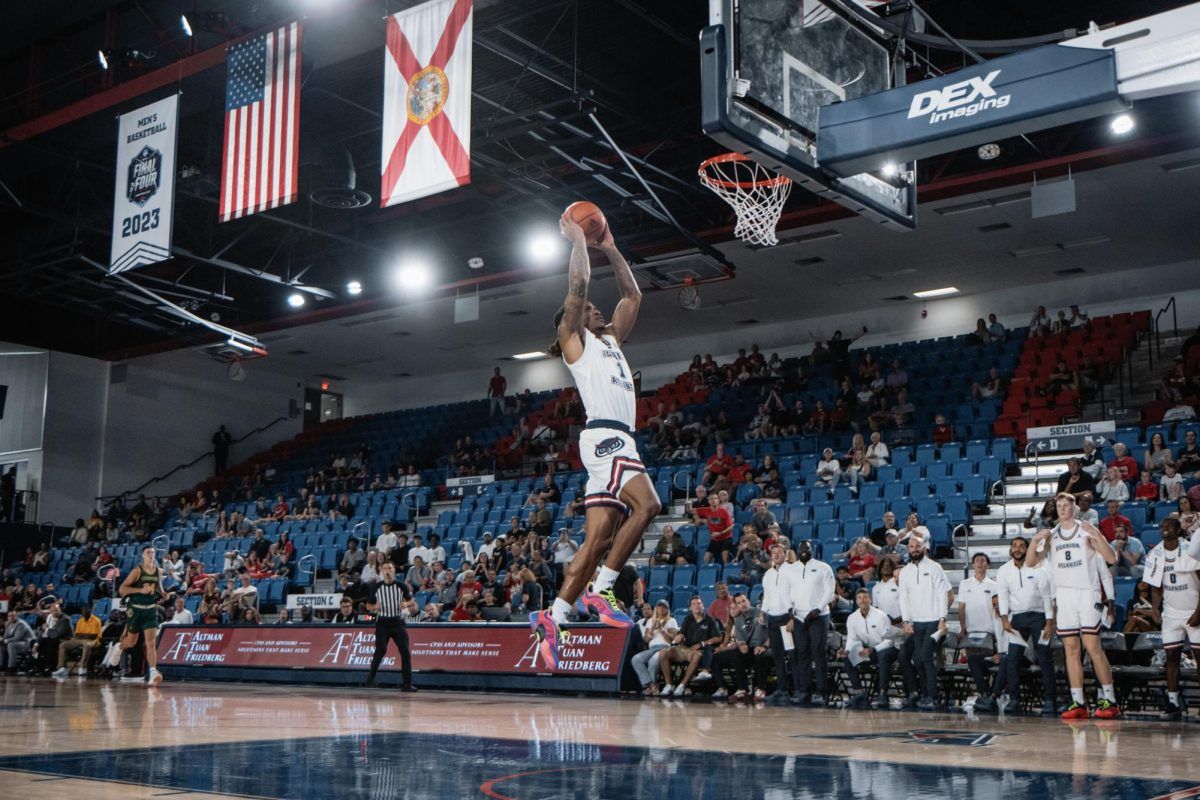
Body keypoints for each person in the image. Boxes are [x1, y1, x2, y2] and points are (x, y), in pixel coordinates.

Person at [531, 211, 660, 668]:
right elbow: (577, 289)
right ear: (572, 320)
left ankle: (555, 615)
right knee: (649, 507)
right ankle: (602, 590)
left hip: (617, 440)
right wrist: (578, 242)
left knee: (598, 538)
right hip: (607, 436)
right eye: (589, 310)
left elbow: (633, 294)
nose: (596, 309)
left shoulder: (611, 343)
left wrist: (608, 244)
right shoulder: (576, 342)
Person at [1027, 492, 1120, 719]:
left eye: (1065, 504)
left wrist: (1097, 535)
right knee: (1070, 649)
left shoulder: (1086, 529)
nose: (1061, 508)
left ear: (1074, 507)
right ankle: (1078, 702)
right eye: (1058, 505)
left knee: (1092, 646)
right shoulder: (1052, 534)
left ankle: (1110, 700)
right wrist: (1033, 541)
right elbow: (1030, 562)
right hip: (1064, 596)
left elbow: (1112, 558)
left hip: (1087, 594)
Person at [1141, 518, 1200, 720]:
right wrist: (1156, 607)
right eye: (1162, 526)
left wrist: (1198, 612)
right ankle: (1173, 703)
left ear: (1178, 529)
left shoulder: (1190, 549)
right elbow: (1156, 585)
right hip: (1171, 614)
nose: (1164, 528)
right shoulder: (1155, 553)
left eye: (1169, 525)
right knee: (1171, 658)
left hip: (1194, 611)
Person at [994, 536, 1057, 716]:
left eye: (1022, 546)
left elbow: (1047, 597)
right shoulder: (1003, 571)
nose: (1018, 549)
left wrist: (1049, 623)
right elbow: (1003, 596)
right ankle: (1014, 700)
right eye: (1014, 545)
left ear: (1028, 549)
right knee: (1012, 659)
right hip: (1017, 619)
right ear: (1010, 550)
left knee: (1045, 659)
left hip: (1039, 617)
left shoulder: (1039, 569)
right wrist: (1005, 619)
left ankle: (1050, 700)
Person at [897, 536, 952, 710]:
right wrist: (906, 621)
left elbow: (943, 594)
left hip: (934, 621)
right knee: (918, 660)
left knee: (926, 658)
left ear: (924, 547)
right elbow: (903, 599)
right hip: (916, 622)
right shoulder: (905, 572)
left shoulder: (935, 567)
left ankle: (931, 697)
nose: (914, 549)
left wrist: (943, 618)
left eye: (917, 546)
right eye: (911, 546)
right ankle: (922, 693)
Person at [104, 545, 166, 685]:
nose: (151, 554)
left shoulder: (159, 571)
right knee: (131, 642)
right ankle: (119, 647)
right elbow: (122, 589)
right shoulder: (137, 571)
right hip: (136, 610)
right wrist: (140, 590)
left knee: (151, 643)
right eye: (148, 552)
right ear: (142, 555)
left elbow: (160, 589)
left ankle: (153, 671)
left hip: (150, 610)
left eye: (153, 552)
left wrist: (164, 595)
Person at [783, 541, 835, 706]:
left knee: (818, 653)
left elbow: (829, 590)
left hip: (818, 616)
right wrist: (789, 609)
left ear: (812, 550)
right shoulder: (791, 569)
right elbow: (785, 592)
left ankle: (820, 691)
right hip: (798, 617)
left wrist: (818, 609)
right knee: (802, 654)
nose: (804, 550)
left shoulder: (823, 567)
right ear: (797, 551)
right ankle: (804, 690)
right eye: (801, 548)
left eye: (807, 548)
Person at [956, 554, 1001, 711]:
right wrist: (962, 628)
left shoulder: (994, 585)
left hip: (989, 631)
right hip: (971, 631)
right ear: (973, 565)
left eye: (983, 561)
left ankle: (987, 696)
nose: (980, 563)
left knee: (987, 665)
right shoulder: (964, 583)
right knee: (973, 663)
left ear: (988, 565)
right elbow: (961, 607)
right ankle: (982, 694)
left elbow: (997, 608)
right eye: (977, 561)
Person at [842, 588, 899, 709]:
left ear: (871, 600)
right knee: (848, 659)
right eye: (859, 597)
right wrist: (847, 651)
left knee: (883, 656)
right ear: (856, 601)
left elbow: (889, 640)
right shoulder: (852, 618)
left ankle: (883, 694)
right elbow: (852, 639)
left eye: (865, 597)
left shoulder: (881, 616)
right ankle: (860, 693)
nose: (862, 600)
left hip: (887, 649)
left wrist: (873, 650)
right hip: (869, 650)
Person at [364, 562, 416, 691]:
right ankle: (370, 680)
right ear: (381, 570)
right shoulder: (376, 587)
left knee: (405, 652)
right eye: (385, 568)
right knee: (380, 651)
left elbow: (411, 600)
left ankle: (407, 684)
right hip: (382, 623)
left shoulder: (401, 586)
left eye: (390, 568)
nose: (387, 571)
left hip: (398, 622)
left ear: (394, 570)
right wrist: (374, 607)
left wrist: (406, 604)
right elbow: (368, 606)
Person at [710, 593, 770, 702]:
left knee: (759, 654)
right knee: (736, 654)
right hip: (750, 648)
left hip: (765, 647)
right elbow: (741, 642)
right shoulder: (738, 621)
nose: (742, 604)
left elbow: (772, 633)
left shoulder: (761, 613)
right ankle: (743, 689)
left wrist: (764, 646)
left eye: (743, 601)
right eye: (739, 603)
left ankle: (761, 689)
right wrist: (742, 646)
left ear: (748, 600)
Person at [659, 596, 723, 696]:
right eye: (694, 604)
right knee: (663, 653)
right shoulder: (688, 619)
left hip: (699, 650)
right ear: (690, 608)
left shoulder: (710, 620)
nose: (697, 606)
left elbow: (718, 638)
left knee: (697, 655)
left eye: (699, 603)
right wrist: (676, 640)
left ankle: (682, 685)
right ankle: (669, 685)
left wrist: (702, 644)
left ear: (703, 606)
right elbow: (681, 634)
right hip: (684, 648)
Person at [632, 600, 677, 696]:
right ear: (656, 609)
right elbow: (646, 640)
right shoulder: (650, 621)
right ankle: (651, 685)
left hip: (664, 649)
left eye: (664, 607)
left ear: (667, 609)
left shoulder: (671, 620)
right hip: (651, 648)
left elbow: (671, 640)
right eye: (659, 606)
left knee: (653, 661)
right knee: (636, 659)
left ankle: (651, 687)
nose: (661, 608)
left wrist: (662, 629)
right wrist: (652, 629)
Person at [51, 605, 103, 678]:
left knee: (87, 645)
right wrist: (85, 635)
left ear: (90, 611)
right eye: (82, 611)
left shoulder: (96, 620)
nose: (83, 612)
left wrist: (83, 635)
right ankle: (62, 668)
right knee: (63, 645)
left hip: (92, 640)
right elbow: (77, 634)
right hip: (79, 639)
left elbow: (93, 636)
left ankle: (83, 667)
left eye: (85, 611)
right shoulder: (80, 620)